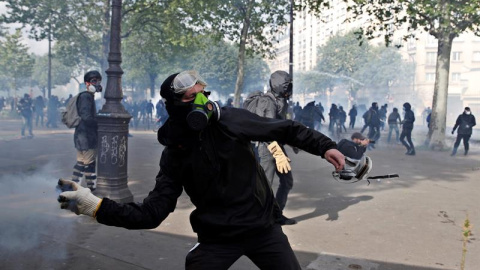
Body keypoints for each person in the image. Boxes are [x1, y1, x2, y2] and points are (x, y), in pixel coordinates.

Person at [57, 70, 345, 270]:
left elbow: (287, 128)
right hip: (217, 239)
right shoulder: (175, 154)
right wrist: (93, 205)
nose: (202, 103)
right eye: (191, 99)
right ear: (174, 107)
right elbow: (151, 214)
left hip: (263, 230)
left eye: (203, 94)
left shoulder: (230, 119)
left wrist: (326, 147)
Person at [247, 70, 298, 225]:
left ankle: (276, 214)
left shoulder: (279, 101)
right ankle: (258, 221)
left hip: (277, 146)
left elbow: (281, 126)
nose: (289, 90)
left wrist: (294, 141)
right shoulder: (267, 102)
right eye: (286, 86)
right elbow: (266, 130)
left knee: (287, 181)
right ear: (279, 86)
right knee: (265, 187)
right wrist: (278, 153)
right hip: (266, 149)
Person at [69, 70, 103, 191]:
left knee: (81, 163)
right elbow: (86, 117)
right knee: (89, 164)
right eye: (94, 81)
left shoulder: (87, 96)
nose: (97, 83)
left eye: (98, 81)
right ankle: (92, 189)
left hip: (81, 137)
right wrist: (99, 122)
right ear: (87, 83)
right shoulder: (86, 96)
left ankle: (73, 186)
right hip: (87, 137)